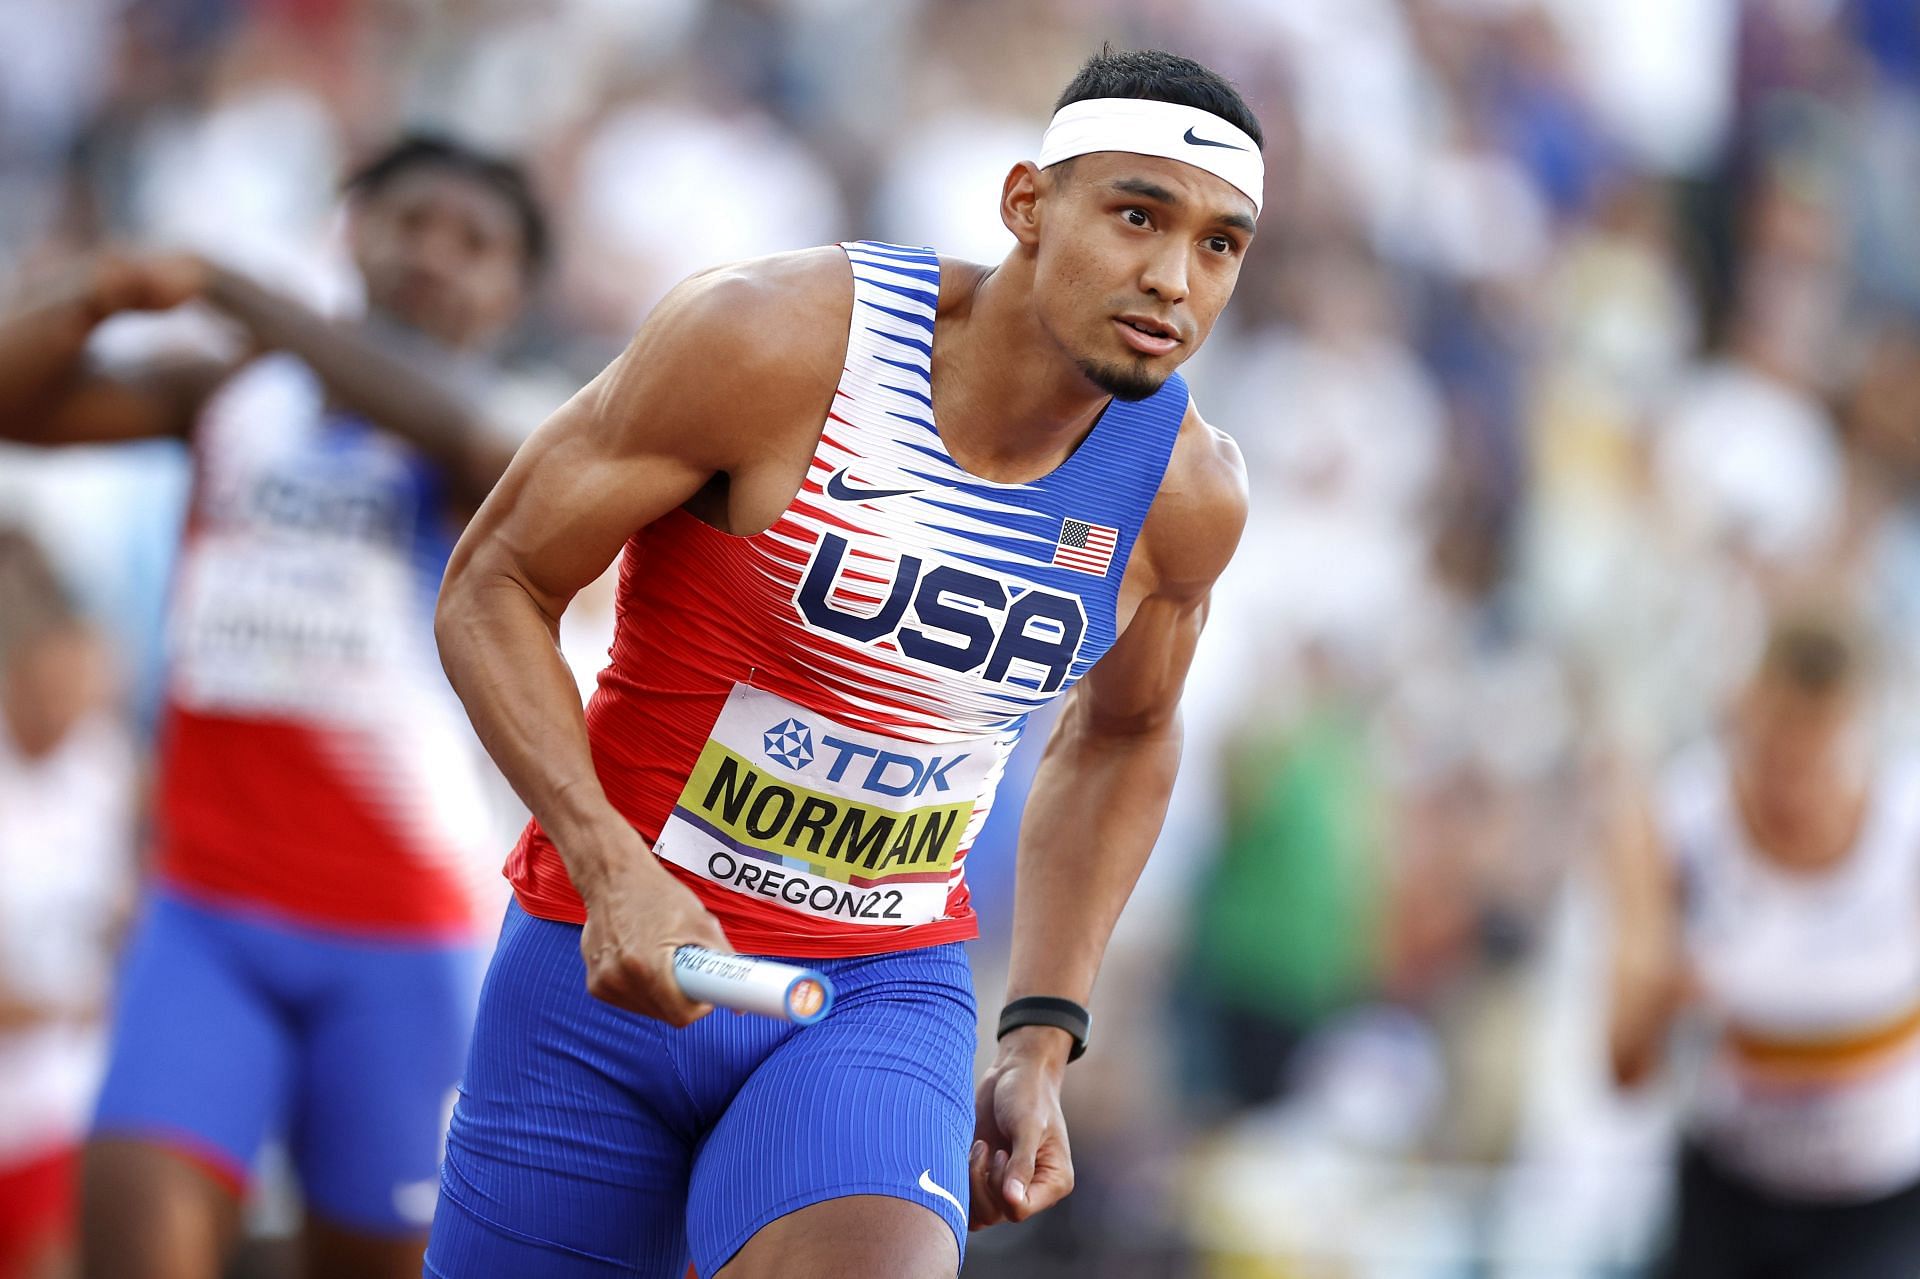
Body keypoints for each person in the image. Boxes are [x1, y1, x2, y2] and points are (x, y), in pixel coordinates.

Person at [426, 46, 1258, 1279]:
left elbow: (1128, 732)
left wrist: (1039, 1033)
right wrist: (608, 865)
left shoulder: (1185, 494)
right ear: (1027, 203)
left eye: (1219, 245)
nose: (1170, 278)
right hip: (606, 971)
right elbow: (493, 584)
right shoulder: (773, 340)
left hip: (876, 992)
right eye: (1137, 214)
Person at [0, 134, 546, 1279]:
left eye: (475, 243)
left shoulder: (517, 430)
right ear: (352, 232)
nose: (436, 257)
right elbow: (21, 405)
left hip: (404, 934)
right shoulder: (238, 390)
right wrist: (99, 290)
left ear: (515, 291)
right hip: (205, 914)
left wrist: (231, 286)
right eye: (410, 223)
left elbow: (463, 431)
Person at [1609, 612, 1920, 1279]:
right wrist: (1657, 987)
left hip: (1880, 1201)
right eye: (1773, 758)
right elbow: (1623, 1069)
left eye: (1815, 765)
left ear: (1860, 744)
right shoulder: (1678, 827)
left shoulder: (1907, 834)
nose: (1792, 790)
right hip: (1731, 1190)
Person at [0, 530, 136, 1279]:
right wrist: (67, 1001)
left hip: (73, 1102)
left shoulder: (106, 767)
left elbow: (139, 915)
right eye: (44, 688)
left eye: (75, 686)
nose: (63, 707)